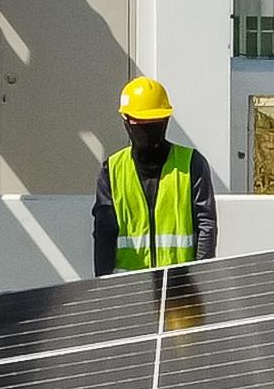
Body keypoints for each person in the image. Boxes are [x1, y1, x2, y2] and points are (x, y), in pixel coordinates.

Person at [90, 76, 217, 277]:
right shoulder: (112, 170)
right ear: (127, 121)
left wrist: (200, 278)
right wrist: (106, 290)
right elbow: (104, 233)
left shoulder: (192, 164)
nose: (148, 127)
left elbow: (206, 226)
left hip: (181, 288)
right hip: (129, 292)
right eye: (141, 121)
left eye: (154, 121)